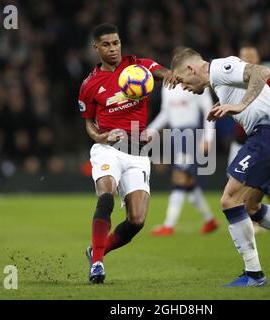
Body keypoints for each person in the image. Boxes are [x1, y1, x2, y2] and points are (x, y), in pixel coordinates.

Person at [170, 47, 270, 287]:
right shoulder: (217, 81)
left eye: (182, 80)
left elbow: (262, 71)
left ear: (192, 69)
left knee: (229, 200)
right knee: (250, 206)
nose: (183, 86)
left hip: (268, 135)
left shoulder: (220, 68)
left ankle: (254, 274)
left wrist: (241, 105)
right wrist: (228, 106)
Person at [78, 23, 176, 284]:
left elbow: (164, 72)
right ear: (96, 47)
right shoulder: (89, 85)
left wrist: (174, 76)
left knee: (137, 220)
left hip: (137, 153)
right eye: (107, 44)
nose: (113, 49)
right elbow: (88, 122)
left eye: (116, 43)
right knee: (107, 194)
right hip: (107, 149)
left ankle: (96, 251)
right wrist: (100, 136)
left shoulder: (138, 67)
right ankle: (97, 264)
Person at [229, 46, 270, 232]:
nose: (247, 61)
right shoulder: (235, 79)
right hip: (239, 138)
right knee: (237, 179)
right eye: (243, 57)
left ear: (258, 59)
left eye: (250, 57)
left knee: (250, 180)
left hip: (258, 138)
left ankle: (254, 218)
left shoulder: (265, 78)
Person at [149, 84, 218, 236]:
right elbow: (166, 113)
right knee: (187, 180)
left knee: (179, 177)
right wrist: (151, 130)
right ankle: (210, 220)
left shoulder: (195, 83)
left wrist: (208, 138)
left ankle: (168, 225)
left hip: (191, 134)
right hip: (175, 135)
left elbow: (208, 110)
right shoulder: (167, 86)